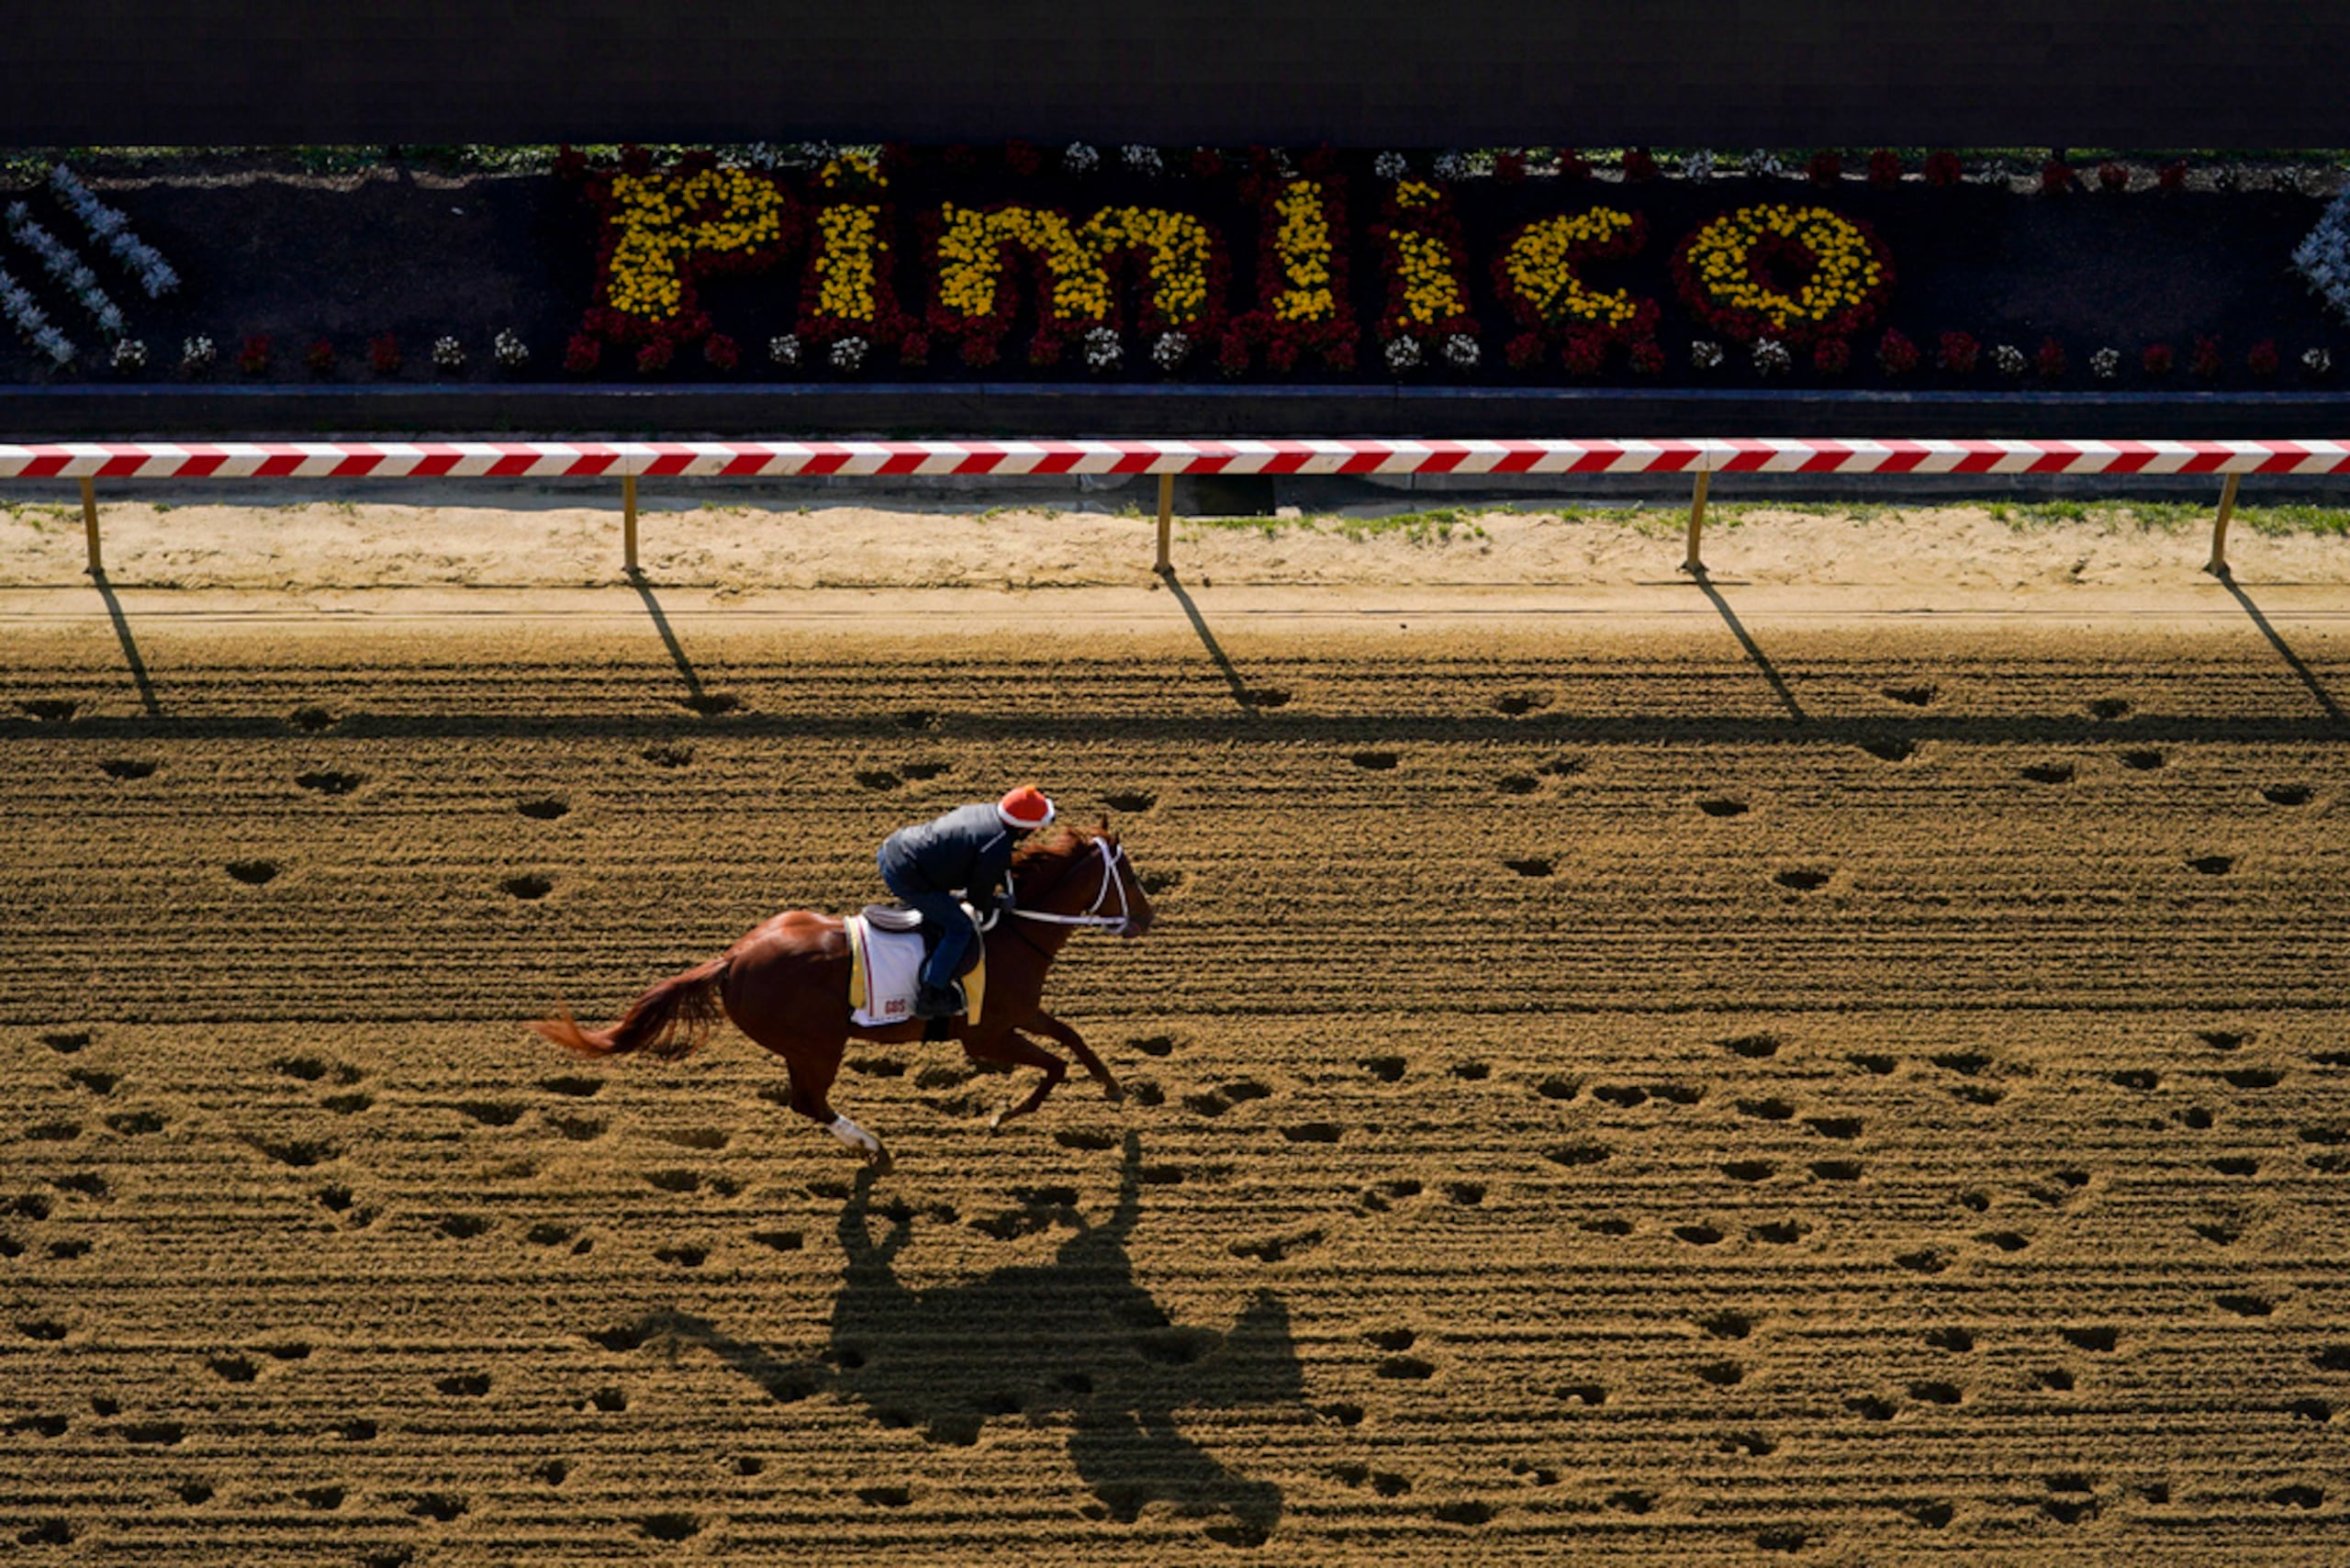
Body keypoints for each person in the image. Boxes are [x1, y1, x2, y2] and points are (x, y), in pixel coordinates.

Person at [877, 786, 1056, 1018]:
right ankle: (931, 994)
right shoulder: (996, 845)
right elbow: (977, 899)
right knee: (960, 927)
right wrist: (999, 903)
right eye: (1035, 827)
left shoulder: (986, 812)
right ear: (1023, 826)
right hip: (905, 876)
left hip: (895, 848)